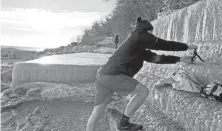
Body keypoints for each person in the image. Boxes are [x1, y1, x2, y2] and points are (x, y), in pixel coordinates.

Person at [86, 17, 197, 131]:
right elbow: (163, 44)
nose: (152, 35)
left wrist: (180, 59)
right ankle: (123, 124)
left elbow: (156, 58)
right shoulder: (139, 35)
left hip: (103, 75)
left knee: (97, 112)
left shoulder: (137, 46)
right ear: (146, 30)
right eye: (151, 32)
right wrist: (187, 46)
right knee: (143, 91)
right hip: (113, 75)